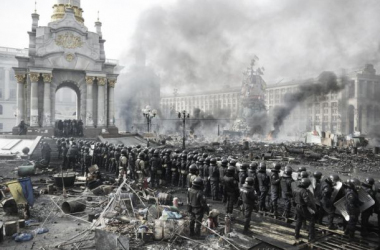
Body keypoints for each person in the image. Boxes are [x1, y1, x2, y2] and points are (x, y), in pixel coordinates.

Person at [293, 178, 316, 242]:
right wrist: (311, 208)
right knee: (311, 220)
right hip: (303, 207)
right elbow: (307, 201)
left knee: (299, 220)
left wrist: (295, 205)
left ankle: (296, 234)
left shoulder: (295, 189)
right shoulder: (304, 191)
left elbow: (293, 199)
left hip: (297, 206)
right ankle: (311, 237)